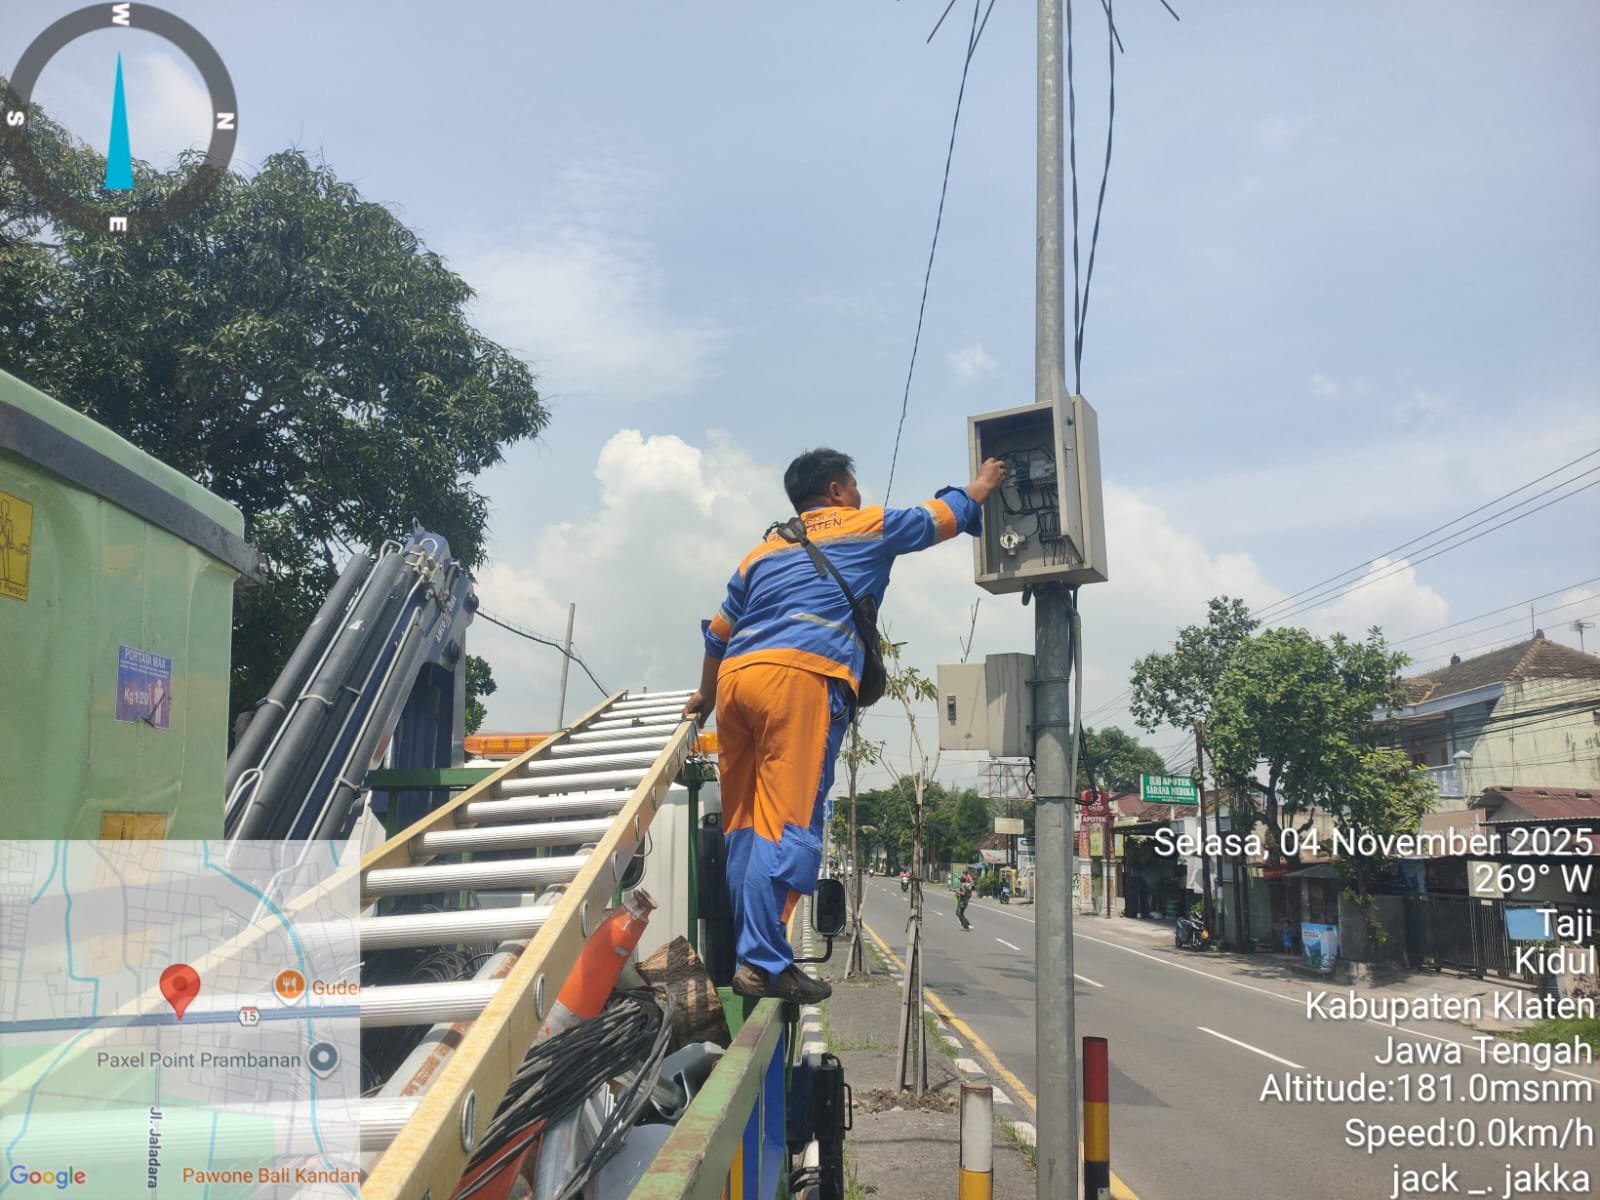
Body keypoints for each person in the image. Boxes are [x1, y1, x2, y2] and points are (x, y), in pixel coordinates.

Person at [683, 448, 1007, 1004]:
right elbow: (938, 517)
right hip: (800, 677)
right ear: (835, 490)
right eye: (854, 486)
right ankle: (762, 962)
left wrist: (708, 698)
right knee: (787, 826)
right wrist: (983, 483)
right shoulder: (863, 524)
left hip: (737, 683)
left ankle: (753, 953)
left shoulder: (759, 553)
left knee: (741, 826)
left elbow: (717, 632)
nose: (859, 495)